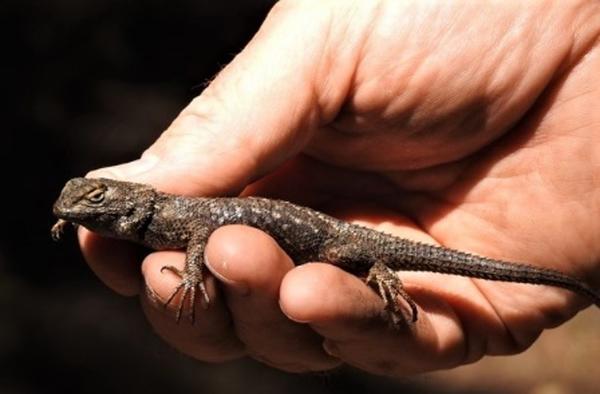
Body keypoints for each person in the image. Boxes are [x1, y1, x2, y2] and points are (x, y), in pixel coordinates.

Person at [77, 0, 600, 376]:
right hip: (324, 237)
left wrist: (192, 274)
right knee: (301, 289)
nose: (87, 205)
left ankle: (378, 269)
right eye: (85, 204)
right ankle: (379, 270)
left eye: (96, 197)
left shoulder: (164, 210)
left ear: (128, 195)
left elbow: (196, 238)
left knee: (334, 267)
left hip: (336, 241)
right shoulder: (137, 215)